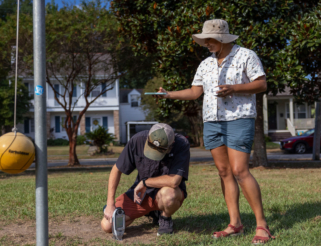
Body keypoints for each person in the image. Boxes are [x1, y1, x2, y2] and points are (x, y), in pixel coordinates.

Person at [155, 19, 275, 244]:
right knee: (224, 172)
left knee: (240, 171)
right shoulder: (205, 64)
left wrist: (234, 88)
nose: (205, 44)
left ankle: (262, 225)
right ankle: (235, 224)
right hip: (212, 121)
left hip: (238, 119)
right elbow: (194, 92)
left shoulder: (246, 56)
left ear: (221, 38)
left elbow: (261, 84)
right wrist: (169, 94)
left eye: (208, 40)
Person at [101, 123, 190, 236]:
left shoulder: (181, 144)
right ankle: (152, 212)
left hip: (164, 193)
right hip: (142, 195)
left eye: (160, 151)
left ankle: (164, 218)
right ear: (148, 137)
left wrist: (145, 182)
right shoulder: (137, 140)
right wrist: (110, 204)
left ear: (171, 144)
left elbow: (174, 181)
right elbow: (116, 169)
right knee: (107, 226)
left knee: (170, 195)